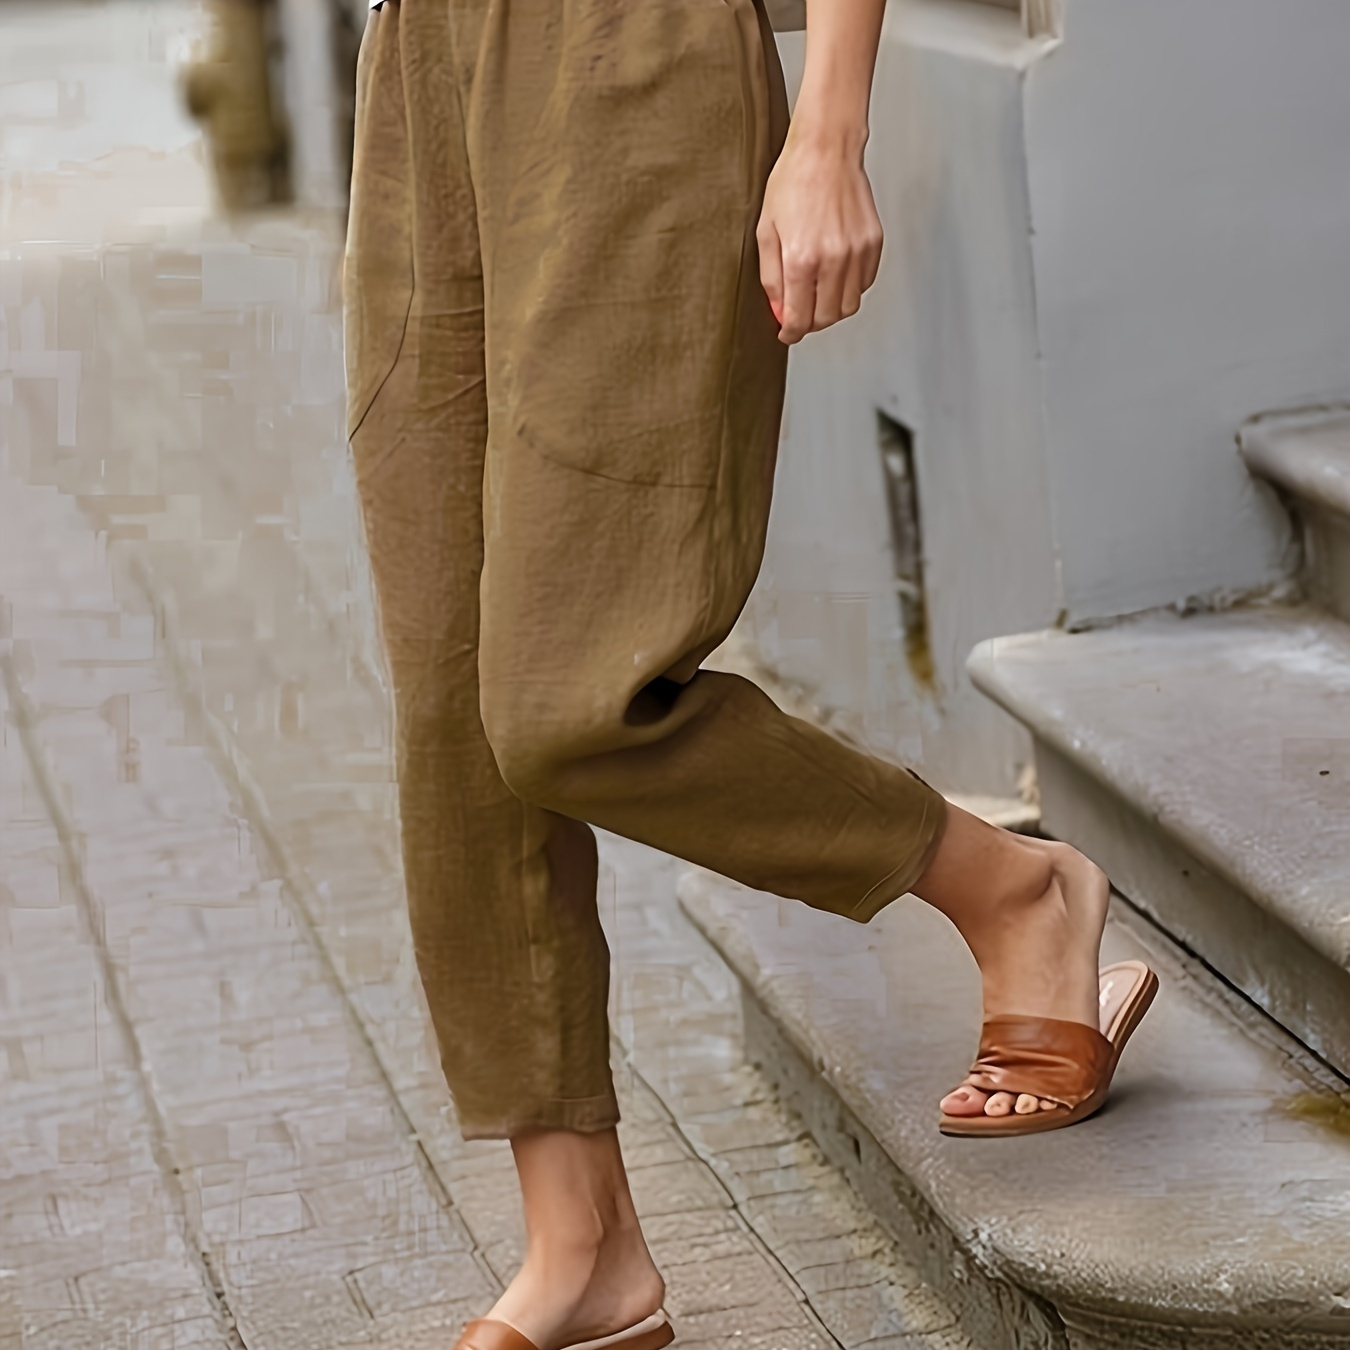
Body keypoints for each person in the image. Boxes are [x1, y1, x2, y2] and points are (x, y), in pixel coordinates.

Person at [342, 0, 1157, 1347]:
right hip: (414, 68)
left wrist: (827, 129)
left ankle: (1010, 888)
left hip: (629, 62)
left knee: (564, 706)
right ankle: (580, 1247)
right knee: (450, 706)